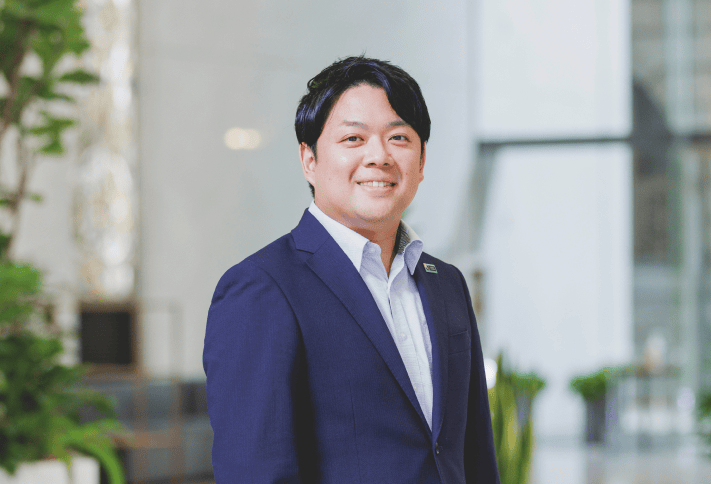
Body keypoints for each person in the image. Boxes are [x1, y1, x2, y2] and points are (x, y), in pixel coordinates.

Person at [203, 55, 500, 483]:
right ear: (309, 160)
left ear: (421, 162)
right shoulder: (262, 288)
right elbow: (255, 472)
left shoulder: (447, 283)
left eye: (399, 137)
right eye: (353, 138)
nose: (378, 156)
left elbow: (474, 456)